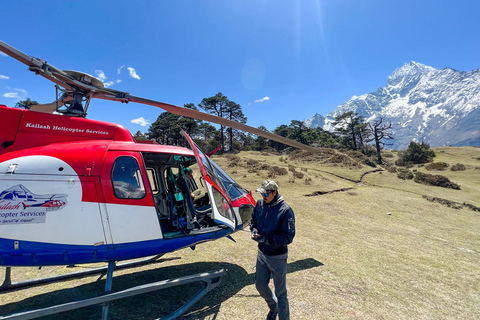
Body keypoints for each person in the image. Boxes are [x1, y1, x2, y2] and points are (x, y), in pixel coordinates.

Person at [251, 179, 295, 320]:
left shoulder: (285, 210)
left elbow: (288, 238)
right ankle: (273, 307)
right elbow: (253, 221)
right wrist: (254, 229)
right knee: (260, 286)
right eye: (261, 194)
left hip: (277, 257)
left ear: (274, 192)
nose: (263, 197)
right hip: (261, 254)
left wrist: (267, 240)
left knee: (281, 293)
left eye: (265, 194)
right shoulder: (259, 204)